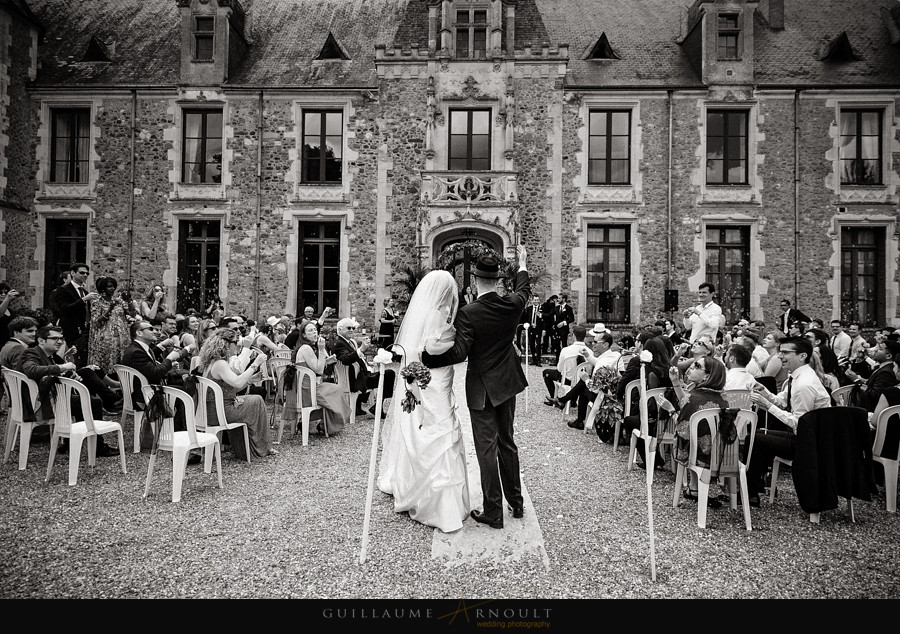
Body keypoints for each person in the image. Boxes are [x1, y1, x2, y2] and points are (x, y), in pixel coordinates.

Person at [422, 246, 530, 530]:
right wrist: (522, 265)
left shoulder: (469, 313)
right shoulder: (513, 304)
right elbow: (524, 290)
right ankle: (516, 503)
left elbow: (459, 353)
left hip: (482, 389)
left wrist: (427, 359)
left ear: (474, 281)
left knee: (486, 449)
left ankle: (494, 511)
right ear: (497, 281)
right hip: (507, 384)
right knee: (507, 443)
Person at [377, 270, 470, 532]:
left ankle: (429, 490)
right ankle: (439, 502)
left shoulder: (431, 312)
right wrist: (458, 344)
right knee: (440, 427)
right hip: (436, 378)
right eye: (451, 292)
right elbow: (430, 347)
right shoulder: (438, 314)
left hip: (436, 378)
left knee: (431, 425)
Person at [746, 336, 832, 506]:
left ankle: (751, 491)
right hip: (806, 435)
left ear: (802, 356)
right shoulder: (798, 376)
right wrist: (764, 392)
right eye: (780, 352)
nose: (780, 356)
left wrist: (767, 406)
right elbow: (782, 401)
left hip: (811, 443)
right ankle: (755, 488)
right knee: (757, 435)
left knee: (754, 439)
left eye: (785, 353)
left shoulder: (804, 384)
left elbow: (799, 423)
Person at [18, 325, 117, 456]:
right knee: (93, 402)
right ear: (41, 341)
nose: (59, 341)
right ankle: (98, 446)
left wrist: (68, 375)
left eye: (61, 338)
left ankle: (71, 441)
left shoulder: (50, 355)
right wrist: (61, 367)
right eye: (54, 338)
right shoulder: (31, 353)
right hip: (40, 403)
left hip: (50, 396)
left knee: (86, 377)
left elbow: (55, 374)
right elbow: (32, 370)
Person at [198, 327, 276, 458]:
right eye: (235, 342)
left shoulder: (211, 362)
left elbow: (228, 389)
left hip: (213, 410)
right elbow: (237, 383)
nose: (238, 345)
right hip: (221, 412)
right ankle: (260, 447)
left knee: (252, 400)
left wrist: (250, 380)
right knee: (257, 400)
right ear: (226, 344)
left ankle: (247, 448)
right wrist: (255, 364)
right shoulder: (220, 364)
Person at [670, 356, 728, 505]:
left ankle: (694, 488)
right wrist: (676, 382)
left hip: (698, 455)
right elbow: (687, 404)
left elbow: (683, 430)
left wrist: (671, 411)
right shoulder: (724, 398)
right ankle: (694, 488)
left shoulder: (693, 397)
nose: (691, 367)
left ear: (707, 376)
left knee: (689, 439)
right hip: (724, 455)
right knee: (697, 437)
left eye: (696, 365)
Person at [281, 321, 349, 436]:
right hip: (307, 391)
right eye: (310, 331)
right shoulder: (306, 348)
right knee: (336, 391)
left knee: (335, 390)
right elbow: (319, 370)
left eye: (315, 330)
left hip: (305, 388)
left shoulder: (306, 347)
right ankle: (323, 425)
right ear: (304, 335)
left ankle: (321, 424)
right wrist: (322, 350)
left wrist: (326, 361)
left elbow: (313, 367)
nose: (314, 332)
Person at [331, 317, 396, 419]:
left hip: (360, 375)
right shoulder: (338, 343)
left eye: (353, 328)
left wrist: (366, 363)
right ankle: (377, 407)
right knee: (389, 374)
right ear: (339, 329)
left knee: (384, 373)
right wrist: (361, 349)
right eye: (349, 328)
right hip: (354, 380)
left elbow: (355, 357)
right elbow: (346, 359)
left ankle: (360, 406)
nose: (352, 330)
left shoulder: (348, 341)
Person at [55, 262, 99, 367]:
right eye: (82, 273)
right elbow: (64, 309)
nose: (85, 275)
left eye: (87, 273)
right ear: (73, 273)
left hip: (84, 331)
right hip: (71, 330)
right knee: (72, 359)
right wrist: (84, 299)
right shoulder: (63, 289)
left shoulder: (84, 291)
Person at [87, 276, 130, 374]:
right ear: (103, 289)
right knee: (107, 362)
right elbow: (96, 321)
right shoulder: (97, 302)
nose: (112, 289)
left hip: (121, 338)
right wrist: (110, 308)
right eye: (109, 287)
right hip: (105, 339)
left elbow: (130, 314)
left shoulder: (118, 301)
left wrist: (129, 301)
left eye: (113, 286)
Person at [542, 324, 590, 404]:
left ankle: (554, 397)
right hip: (582, 381)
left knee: (545, 372)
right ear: (585, 337)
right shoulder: (590, 352)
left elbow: (560, 369)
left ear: (574, 336)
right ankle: (572, 401)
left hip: (567, 380)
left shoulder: (565, 350)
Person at [552, 294, 575, 361]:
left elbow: (572, 319)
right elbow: (550, 315)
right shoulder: (556, 308)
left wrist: (564, 323)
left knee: (564, 345)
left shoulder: (568, 308)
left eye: (559, 298)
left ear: (564, 299)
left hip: (564, 330)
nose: (558, 300)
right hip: (557, 329)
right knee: (557, 345)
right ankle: (557, 360)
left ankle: (564, 360)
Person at [520, 295, 542, 366]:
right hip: (531, 328)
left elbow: (545, 319)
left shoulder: (541, 308)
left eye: (537, 300)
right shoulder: (529, 308)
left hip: (538, 329)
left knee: (538, 345)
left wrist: (541, 316)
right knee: (531, 344)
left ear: (539, 300)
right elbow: (526, 318)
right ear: (532, 301)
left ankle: (538, 360)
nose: (536, 301)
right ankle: (534, 359)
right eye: (535, 300)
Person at [0, 282, 22, 349]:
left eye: (6, 293)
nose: (3, 294)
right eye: (0, 292)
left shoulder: (11, 311)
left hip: (8, 342)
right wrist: (7, 298)